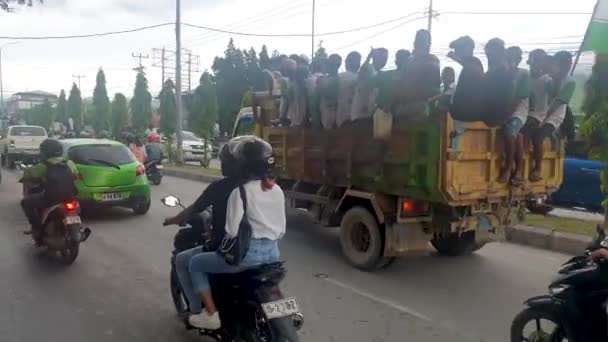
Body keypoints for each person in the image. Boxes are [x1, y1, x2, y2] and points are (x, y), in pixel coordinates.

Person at [180, 137, 285, 330]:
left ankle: (210, 315)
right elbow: (281, 229)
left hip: (246, 257)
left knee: (195, 263)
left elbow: (231, 231)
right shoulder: (277, 190)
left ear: (242, 165)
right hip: (273, 256)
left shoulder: (241, 192)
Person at [164, 141, 242, 317]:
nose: (221, 164)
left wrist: (173, 220)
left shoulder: (220, 188)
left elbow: (194, 209)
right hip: (264, 253)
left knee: (185, 261)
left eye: (223, 161)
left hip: (231, 251)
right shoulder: (261, 187)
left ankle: (198, 311)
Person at [20, 139, 79, 244]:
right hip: (70, 197)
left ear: (45, 152)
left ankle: (37, 226)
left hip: (51, 198)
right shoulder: (69, 163)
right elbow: (75, 174)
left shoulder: (44, 166)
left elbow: (29, 175)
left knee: (25, 202)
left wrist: (26, 174)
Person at [529, 51, 576, 182]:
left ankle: (538, 169)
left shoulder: (570, 82)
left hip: (554, 117)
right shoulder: (548, 79)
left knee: (538, 137)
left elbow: (558, 102)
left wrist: (543, 118)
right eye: (561, 63)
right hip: (540, 113)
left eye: (566, 63)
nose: (564, 66)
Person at [498, 46, 531, 185]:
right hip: (503, 111)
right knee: (517, 138)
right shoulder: (502, 74)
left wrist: (506, 115)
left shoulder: (524, 74)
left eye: (514, 57)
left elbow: (518, 99)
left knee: (509, 133)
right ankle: (517, 169)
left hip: (518, 112)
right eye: (508, 57)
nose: (510, 60)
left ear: (519, 60)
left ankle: (509, 167)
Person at [402, 29, 441, 119]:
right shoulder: (408, 62)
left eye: (421, 41)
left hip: (418, 105)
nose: (418, 43)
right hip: (411, 107)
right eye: (419, 40)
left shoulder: (431, 60)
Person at [448, 35, 485, 121]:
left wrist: (456, 59)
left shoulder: (475, 63)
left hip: (468, 112)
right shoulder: (468, 66)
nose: (456, 51)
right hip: (463, 110)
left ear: (467, 49)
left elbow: (473, 69)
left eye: (458, 49)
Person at [482, 38, 515, 128]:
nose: (488, 57)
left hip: (497, 114)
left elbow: (506, 95)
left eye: (490, 54)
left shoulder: (504, 72)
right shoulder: (493, 72)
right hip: (494, 113)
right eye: (487, 54)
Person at [336, 51, 361, 127]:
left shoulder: (339, 77)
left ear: (347, 63)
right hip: (359, 118)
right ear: (358, 64)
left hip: (341, 118)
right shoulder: (363, 78)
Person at [318, 53, 342, 129]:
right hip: (327, 114)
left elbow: (331, 94)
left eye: (330, 63)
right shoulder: (325, 78)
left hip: (331, 115)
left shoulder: (337, 79)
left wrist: (320, 88)